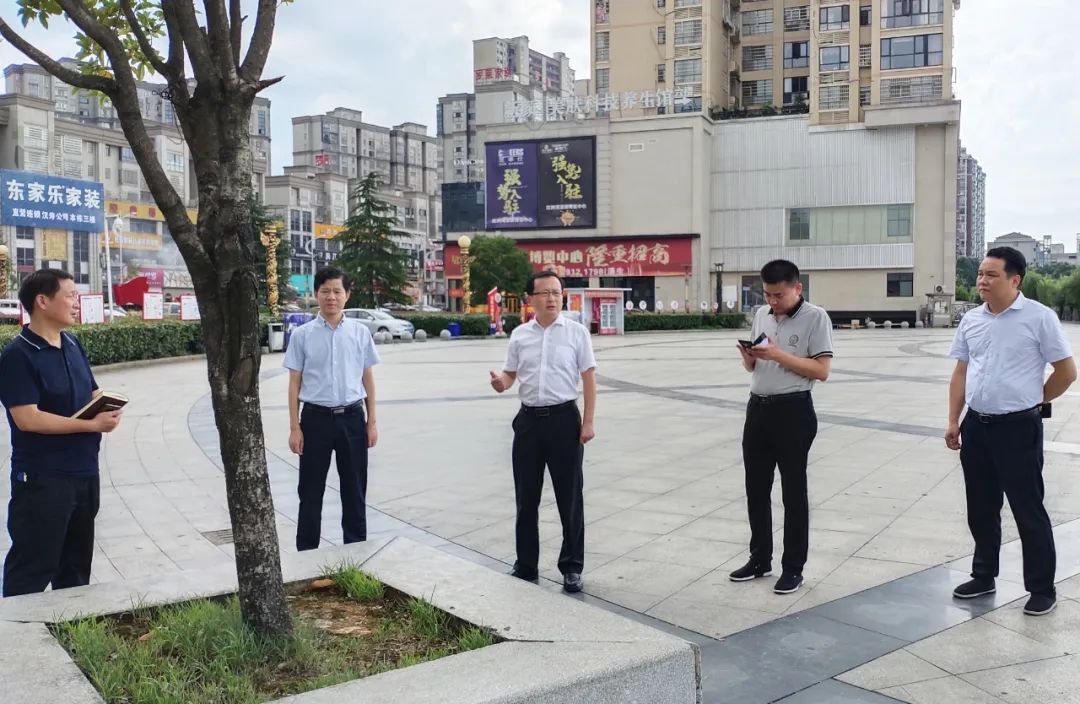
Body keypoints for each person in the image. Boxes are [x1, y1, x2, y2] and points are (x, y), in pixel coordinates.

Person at [946, 247, 1075, 616]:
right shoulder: (971, 319)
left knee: (1027, 508)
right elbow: (961, 372)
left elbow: (1066, 372)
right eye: (981, 274)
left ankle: (1041, 588)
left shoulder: (1039, 318)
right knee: (981, 508)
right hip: (977, 426)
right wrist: (954, 419)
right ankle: (984, 575)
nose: (982, 281)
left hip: (1018, 428)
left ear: (1015, 280)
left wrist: (1035, 402)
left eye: (991, 275)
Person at [0, 269, 122, 597]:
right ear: (42, 301)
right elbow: (29, 419)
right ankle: (17, 639)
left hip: (85, 475)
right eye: (69, 295)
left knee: (76, 569)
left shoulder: (72, 344)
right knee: (33, 567)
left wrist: (106, 407)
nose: (76, 303)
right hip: (43, 480)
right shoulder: (18, 356)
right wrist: (91, 425)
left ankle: (69, 637)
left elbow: (92, 392)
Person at [730, 260, 833, 595]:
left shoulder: (816, 317)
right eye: (767, 294)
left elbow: (821, 370)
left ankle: (793, 568)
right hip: (757, 408)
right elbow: (756, 364)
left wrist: (777, 355)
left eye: (779, 294)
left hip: (793, 411)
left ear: (797, 287)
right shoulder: (761, 314)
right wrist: (750, 358)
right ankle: (760, 558)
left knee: (793, 492)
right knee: (756, 489)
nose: (772, 301)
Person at [490, 270, 597, 593]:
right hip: (528, 423)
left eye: (556, 292)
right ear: (531, 299)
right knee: (526, 497)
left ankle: (572, 567)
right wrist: (501, 383)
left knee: (570, 497)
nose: (552, 298)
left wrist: (588, 422)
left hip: (565, 420)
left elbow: (589, 379)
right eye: (545, 293)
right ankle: (526, 564)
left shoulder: (577, 333)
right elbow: (510, 375)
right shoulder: (520, 335)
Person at [284, 267, 379, 551]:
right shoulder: (302, 335)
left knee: (354, 491)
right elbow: (294, 384)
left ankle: (356, 553)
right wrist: (294, 427)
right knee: (310, 492)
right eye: (325, 291)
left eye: (337, 291)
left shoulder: (360, 333)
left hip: (352, 418)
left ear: (347, 295)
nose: (331, 297)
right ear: (316, 294)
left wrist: (371, 421)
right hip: (314, 420)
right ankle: (306, 556)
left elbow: (368, 379)